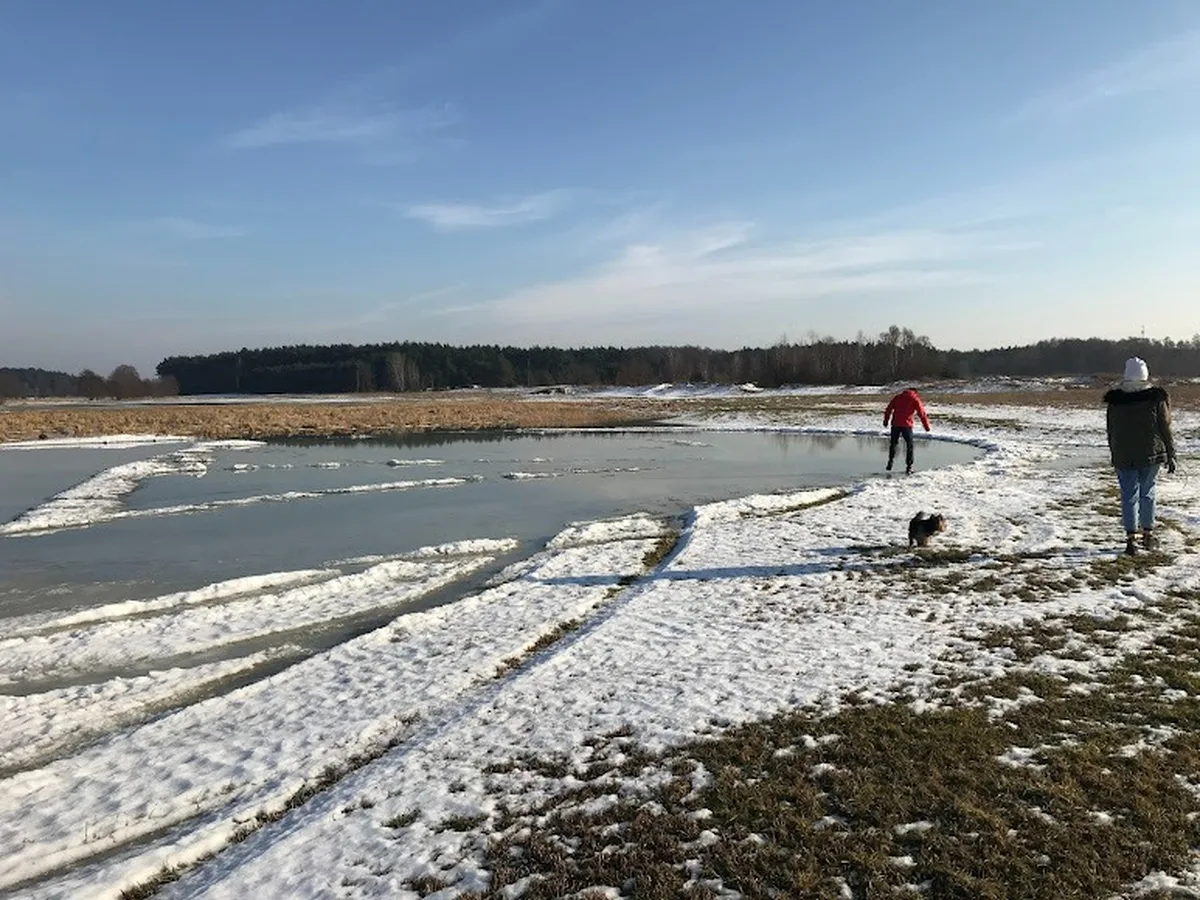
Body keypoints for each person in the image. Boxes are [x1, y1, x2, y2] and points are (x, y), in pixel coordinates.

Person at [1104, 357, 1177, 555]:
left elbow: (1111, 430)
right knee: (1148, 492)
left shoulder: (1115, 401)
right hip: (1150, 453)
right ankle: (1147, 534)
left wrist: (1114, 452)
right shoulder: (1157, 398)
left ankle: (1130, 539)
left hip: (1124, 454)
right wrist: (1171, 453)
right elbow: (1165, 426)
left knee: (1128, 495)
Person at [883, 387, 931, 474]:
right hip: (906, 425)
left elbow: (888, 409)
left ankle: (890, 461)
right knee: (909, 446)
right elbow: (922, 414)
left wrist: (886, 421)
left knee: (893, 443)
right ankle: (909, 466)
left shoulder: (897, 397)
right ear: (915, 393)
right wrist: (926, 426)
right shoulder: (915, 399)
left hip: (895, 424)